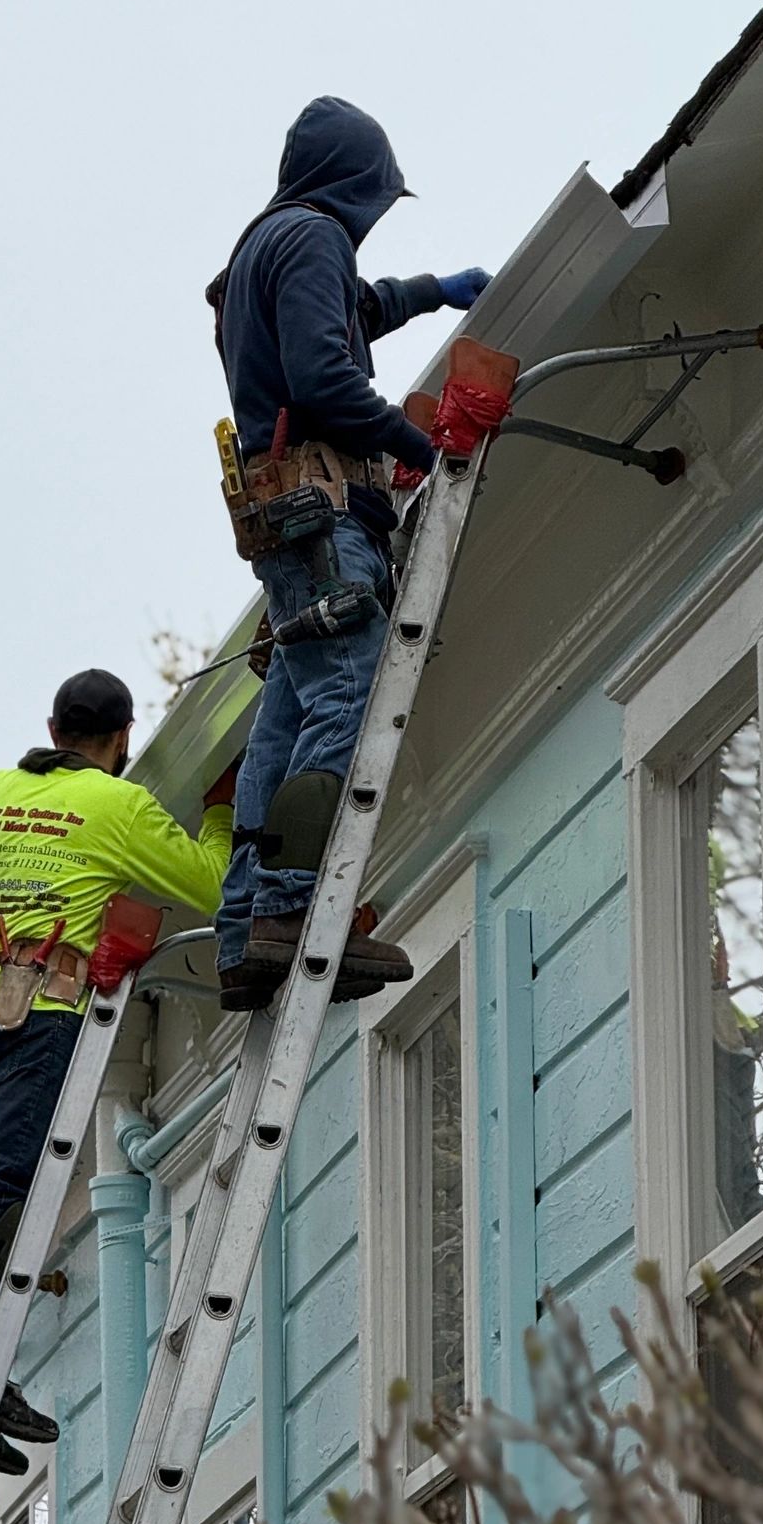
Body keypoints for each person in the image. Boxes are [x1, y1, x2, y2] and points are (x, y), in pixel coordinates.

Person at [0, 668, 236, 1468]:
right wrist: (221, 811)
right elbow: (212, 885)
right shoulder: (118, 805)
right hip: (45, 1014)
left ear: (52, 729)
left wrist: (11, 833)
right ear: (123, 738)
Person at [207, 95, 490, 1010]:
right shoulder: (316, 236)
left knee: (287, 710)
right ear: (357, 185)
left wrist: (432, 290)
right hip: (324, 514)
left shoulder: (266, 248)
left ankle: (247, 922)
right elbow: (327, 375)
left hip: (283, 514)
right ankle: (291, 907)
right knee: (345, 693)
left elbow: (352, 315)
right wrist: (425, 447)